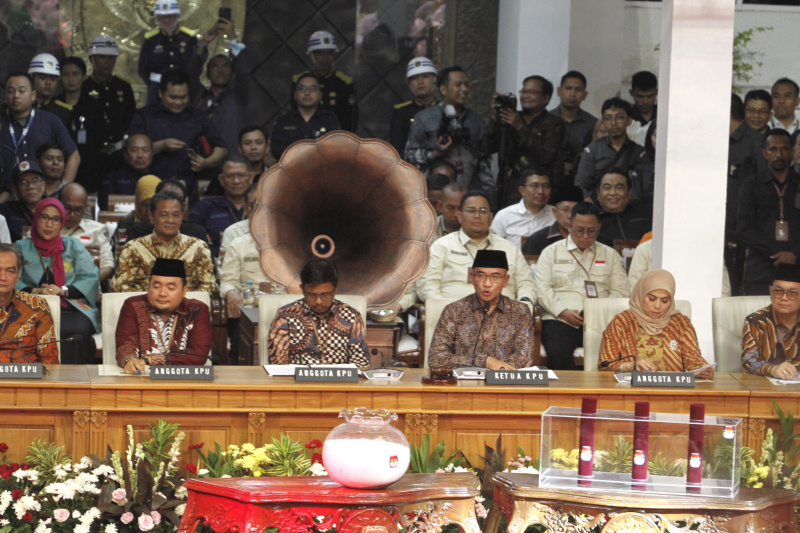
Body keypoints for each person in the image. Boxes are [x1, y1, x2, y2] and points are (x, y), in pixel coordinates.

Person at [534, 202, 629, 369]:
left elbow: (621, 291)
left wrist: (599, 312)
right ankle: (567, 393)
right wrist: (563, 312)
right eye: (580, 230)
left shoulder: (610, 255)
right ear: (570, 225)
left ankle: (600, 393)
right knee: (557, 351)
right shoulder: (551, 252)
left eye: (591, 231)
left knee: (612, 354)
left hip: (602, 320)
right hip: (561, 319)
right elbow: (542, 288)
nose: (585, 236)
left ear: (599, 227)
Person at [14, 198, 99, 364]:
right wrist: (35, 292)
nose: (49, 224)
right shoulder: (21, 247)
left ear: (61, 222)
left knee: (76, 332)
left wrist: (62, 291)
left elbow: (90, 276)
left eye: (55, 219)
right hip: (30, 308)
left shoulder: (73, 246)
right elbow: (10, 278)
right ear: (36, 218)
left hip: (72, 309)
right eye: (44, 217)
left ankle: (69, 382)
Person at [417, 191, 536, 303]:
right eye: (471, 210)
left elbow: (526, 284)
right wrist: (449, 310)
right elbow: (427, 285)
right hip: (453, 317)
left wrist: (524, 303)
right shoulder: (442, 246)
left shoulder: (509, 248)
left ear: (491, 217)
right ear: (459, 216)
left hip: (502, 316)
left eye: (483, 211)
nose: (477, 216)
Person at [128, 68, 228, 201]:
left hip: (187, 188)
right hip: (151, 188)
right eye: (173, 97)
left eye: (183, 97)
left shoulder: (198, 117)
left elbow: (221, 148)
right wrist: (162, 145)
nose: (178, 102)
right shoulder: (144, 116)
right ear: (161, 93)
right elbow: (131, 151)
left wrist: (205, 162)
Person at [428, 249, 533, 370]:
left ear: (506, 281)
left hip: (502, 383)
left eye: (495, 277)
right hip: (462, 384)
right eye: (481, 276)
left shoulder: (519, 311)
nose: (487, 284)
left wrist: (498, 371)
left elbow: (524, 359)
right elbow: (436, 359)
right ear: (472, 277)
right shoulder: (454, 310)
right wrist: (484, 361)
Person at [598, 269, 713, 378]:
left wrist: (702, 368)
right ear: (641, 295)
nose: (657, 306)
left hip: (673, 391)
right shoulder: (621, 323)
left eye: (664, 301)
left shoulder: (681, 323)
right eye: (652, 299)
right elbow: (605, 364)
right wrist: (631, 365)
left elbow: (693, 360)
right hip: (632, 390)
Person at [405, 66, 493, 195]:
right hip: (435, 195)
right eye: (458, 85)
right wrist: (434, 154)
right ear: (443, 89)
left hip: (468, 192)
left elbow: (484, 161)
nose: (464, 89)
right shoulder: (425, 118)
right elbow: (409, 156)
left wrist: (488, 193)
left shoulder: (475, 121)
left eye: (466, 85)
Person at [116, 258, 212, 374]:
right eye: (156, 287)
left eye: (171, 288)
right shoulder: (133, 305)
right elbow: (125, 346)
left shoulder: (197, 309)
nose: (162, 293)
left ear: (184, 290)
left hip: (185, 382)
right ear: (148, 287)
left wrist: (152, 359)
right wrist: (130, 360)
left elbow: (198, 355)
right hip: (142, 379)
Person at [267, 258, 369, 367]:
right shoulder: (286, 316)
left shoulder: (351, 316)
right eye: (312, 295)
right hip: (297, 382)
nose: (318, 301)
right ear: (302, 289)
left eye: (325, 295)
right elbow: (277, 365)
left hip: (339, 382)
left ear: (335, 290)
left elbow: (361, 363)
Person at [112, 191, 216, 294]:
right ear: (151, 217)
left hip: (188, 308)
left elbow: (209, 286)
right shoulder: (133, 248)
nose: (170, 220)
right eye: (164, 215)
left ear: (182, 217)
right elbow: (120, 286)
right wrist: (155, 300)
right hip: (145, 308)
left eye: (176, 215)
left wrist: (178, 301)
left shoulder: (199, 248)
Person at [486, 75, 566, 207]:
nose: (526, 96)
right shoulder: (510, 118)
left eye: (532, 92)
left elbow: (545, 156)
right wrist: (495, 120)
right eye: (523, 91)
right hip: (507, 190)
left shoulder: (554, 123)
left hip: (538, 194)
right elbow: (487, 147)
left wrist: (520, 127)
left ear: (546, 98)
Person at [737, 129, 800, 295]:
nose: (779, 154)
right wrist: (775, 253)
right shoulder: (751, 185)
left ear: (792, 152)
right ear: (764, 153)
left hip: (797, 268)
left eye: (784, 148)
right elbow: (744, 229)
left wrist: (794, 254)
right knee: (759, 318)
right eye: (773, 149)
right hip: (761, 269)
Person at [0, 73, 80, 199]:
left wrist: (62, 189)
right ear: (5, 96)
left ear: (33, 95)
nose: (15, 96)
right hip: (6, 195)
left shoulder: (50, 120)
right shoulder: (2, 122)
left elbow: (74, 156)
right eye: (10, 91)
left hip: (42, 196)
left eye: (21, 91)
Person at [80, 34, 136, 192]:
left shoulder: (123, 87)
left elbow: (130, 120)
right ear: (92, 59)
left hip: (118, 156)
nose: (107, 62)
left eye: (111, 58)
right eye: (102, 57)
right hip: (90, 157)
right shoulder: (83, 87)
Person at [188, 16, 249, 152]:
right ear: (208, 73)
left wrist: (232, 38)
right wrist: (203, 43)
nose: (220, 70)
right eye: (215, 66)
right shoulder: (199, 95)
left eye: (225, 66)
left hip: (230, 164)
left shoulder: (239, 96)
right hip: (203, 162)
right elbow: (191, 73)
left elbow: (243, 73)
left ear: (233, 73)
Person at [574, 97, 644, 200]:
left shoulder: (640, 153)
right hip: (598, 207)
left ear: (629, 121)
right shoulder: (592, 150)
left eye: (619, 118)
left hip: (629, 208)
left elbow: (642, 187)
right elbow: (581, 185)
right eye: (608, 118)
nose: (613, 123)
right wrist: (590, 204)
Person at [0, 243, 58, 364]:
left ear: (17, 276)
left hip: (26, 380)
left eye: (10, 271)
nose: (3, 277)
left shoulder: (37, 306)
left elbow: (50, 360)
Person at [291, 31, 357, 133]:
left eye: (329, 53)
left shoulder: (344, 83)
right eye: (320, 53)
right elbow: (294, 113)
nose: (325, 58)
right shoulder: (300, 81)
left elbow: (350, 119)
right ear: (311, 55)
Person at [742, 264, 800, 378]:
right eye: (778, 291)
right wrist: (772, 369)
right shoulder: (756, 321)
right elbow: (749, 360)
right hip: (766, 387)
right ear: (770, 291)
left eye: (792, 293)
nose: (784, 298)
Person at [190, 155, 252, 256]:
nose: (236, 181)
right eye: (230, 176)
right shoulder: (205, 207)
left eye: (241, 175)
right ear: (221, 179)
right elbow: (192, 242)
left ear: (251, 178)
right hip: (215, 264)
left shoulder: (261, 207)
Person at [138, 1, 198, 106]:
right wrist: (154, 86)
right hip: (156, 91)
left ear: (177, 16)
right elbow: (142, 69)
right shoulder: (151, 39)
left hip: (182, 91)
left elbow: (196, 66)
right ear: (157, 18)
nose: (166, 20)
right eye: (162, 16)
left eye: (170, 16)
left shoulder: (189, 37)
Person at [270, 72, 341, 160]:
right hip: (291, 170)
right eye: (302, 88)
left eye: (313, 88)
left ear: (320, 95)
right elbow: (276, 150)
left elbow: (334, 149)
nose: (307, 92)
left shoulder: (329, 120)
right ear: (295, 94)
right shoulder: (284, 121)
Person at [550, 71, 597, 192]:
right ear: (559, 91)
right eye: (568, 88)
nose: (572, 94)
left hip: (582, 183)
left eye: (578, 90)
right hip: (550, 182)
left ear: (585, 95)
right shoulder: (546, 120)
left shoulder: (593, 124)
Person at [124, 179, 210, 244]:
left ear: (184, 207)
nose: (170, 220)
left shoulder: (197, 233)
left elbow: (208, 266)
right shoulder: (136, 231)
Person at [59, 183, 114, 283]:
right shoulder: (46, 228)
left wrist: (84, 285)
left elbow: (107, 266)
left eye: (78, 210)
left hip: (86, 290)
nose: (72, 214)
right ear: (58, 204)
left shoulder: (96, 230)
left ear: (85, 208)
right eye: (67, 208)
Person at [490, 169, 556, 249]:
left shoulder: (557, 215)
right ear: (522, 190)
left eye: (546, 186)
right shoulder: (504, 216)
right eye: (534, 186)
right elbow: (494, 249)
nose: (540, 191)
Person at [391, 57, 438, 157]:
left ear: (435, 79)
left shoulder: (445, 109)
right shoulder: (402, 112)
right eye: (414, 78)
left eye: (425, 76)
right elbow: (397, 149)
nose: (420, 82)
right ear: (409, 84)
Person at [595, 170, 652, 246]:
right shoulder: (591, 220)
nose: (613, 193)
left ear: (629, 193)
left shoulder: (645, 214)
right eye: (607, 187)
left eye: (619, 187)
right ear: (598, 193)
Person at [522, 187, 582, 256]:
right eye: (565, 210)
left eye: (575, 210)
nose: (570, 216)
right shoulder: (538, 239)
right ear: (554, 212)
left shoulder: (591, 238)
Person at [99, 134, 154, 210]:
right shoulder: (113, 178)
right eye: (134, 150)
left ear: (151, 154)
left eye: (145, 150)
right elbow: (105, 206)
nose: (140, 155)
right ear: (126, 155)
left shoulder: (161, 179)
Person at [0, 161, 44, 242]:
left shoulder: (53, 208)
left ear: (43, 185)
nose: (30, 186)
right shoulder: (5, 211)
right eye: (23, 182)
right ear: (15, 189)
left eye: (35, 180)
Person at [28, 53, 72, 128]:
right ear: (32, 78)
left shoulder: (63, 112)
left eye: (53, 79)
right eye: (42, 78)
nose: (48, 83)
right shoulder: (20, 107)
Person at [116, 174, 160, 241]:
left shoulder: (168, 223)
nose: (149, 210)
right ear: (137, 203)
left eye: (153, 205)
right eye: (145, 205)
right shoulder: (126, 223)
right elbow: (118, 248)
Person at [220, 183, 257, 253]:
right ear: (245, 208)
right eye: (252, 204)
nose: (257, 209)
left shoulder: (282, 229)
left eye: (263, 204)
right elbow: (226, 262)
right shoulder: (232, 232)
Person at [627, 71, 658, 146]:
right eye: (640, 97)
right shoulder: (626, 116)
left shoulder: (664, 115)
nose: (645, 102)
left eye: (650, 96)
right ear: (631, 93)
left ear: (657, 92)